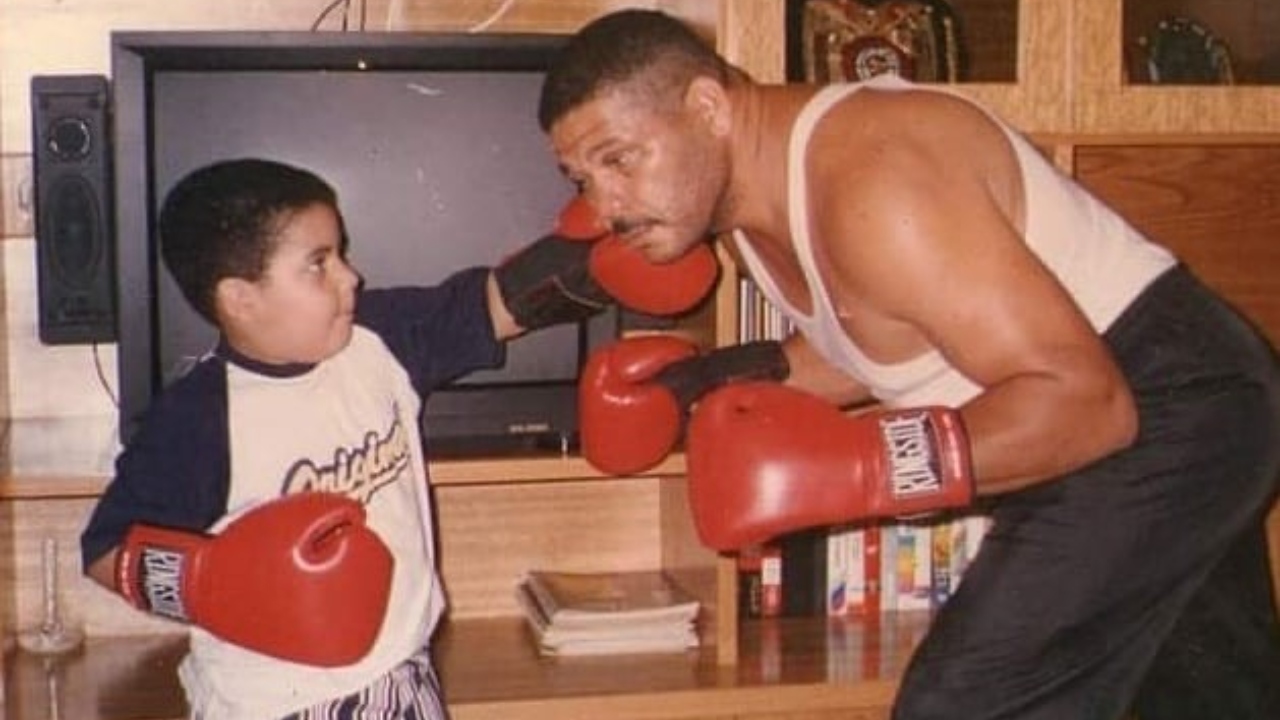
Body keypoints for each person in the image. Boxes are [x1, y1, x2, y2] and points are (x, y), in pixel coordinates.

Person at [547, 9, 1280, 720]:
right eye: (582, 177)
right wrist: (695, 389)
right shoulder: (745, 207)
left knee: (961, 704)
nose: (606, 205)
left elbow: (1090, 404)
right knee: (1214, 699)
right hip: (1131, 404)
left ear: (706, 105)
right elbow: (880, 341)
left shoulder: (876, 181)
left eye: (619, 158)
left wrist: (857, 471)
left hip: (1166, 405)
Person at [79, 157, 711, 719]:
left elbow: (495, 303)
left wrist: (611, 249)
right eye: (318, 265)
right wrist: (218, 581)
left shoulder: (377, 340)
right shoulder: (198, 418)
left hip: (404, 677)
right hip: (272, 701)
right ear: (241, 300)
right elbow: (107, 547)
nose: (350, 278)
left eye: (341, 254)